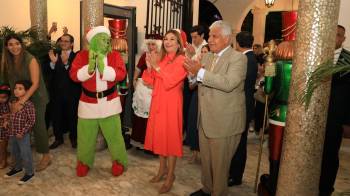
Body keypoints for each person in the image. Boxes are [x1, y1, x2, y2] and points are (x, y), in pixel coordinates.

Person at [184, 20, 247, 196]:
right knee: (207, 162)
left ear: (226, 39)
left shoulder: (238, 58)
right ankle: (207, 189)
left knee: (220, 167)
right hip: (205, 119)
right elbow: (196, 83)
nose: (209, 39)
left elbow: (228, 83)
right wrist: (192, 75)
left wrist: (200, 73)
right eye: (210, 35)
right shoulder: (208, 56)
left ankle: (217, 192)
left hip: (224, 122)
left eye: (214, 36)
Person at [70, 26, 127, 177]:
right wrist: (89, 69)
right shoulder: (82, 56)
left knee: (115, 137)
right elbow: (74, 75)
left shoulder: (114, 56)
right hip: (88, 104)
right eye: (102, 39)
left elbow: (121, 74)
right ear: (93, 41)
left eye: (107, 40)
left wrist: (104, 69)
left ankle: (119, 161)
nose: (106, 42)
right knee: (85, 137)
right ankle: (84, 162)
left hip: (110, 103)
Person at [142, 29, 187, 194]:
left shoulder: (182, 60)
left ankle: (170, 176)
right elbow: (149, 81)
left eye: (172, 39)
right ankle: (162, 170)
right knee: (160, 137)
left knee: (171, 140)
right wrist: (149, 67)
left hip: (172, 103)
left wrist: (156, 68)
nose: (168, 42)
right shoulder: (160, 59)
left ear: (178, 43)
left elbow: (170, 81)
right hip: (158, 101)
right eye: (166, 39)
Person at [0, 34, 51, 172]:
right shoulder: (7, 61)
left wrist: (22, 102)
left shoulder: (30, 59)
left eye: (17, 43)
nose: (14, 47)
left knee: (38, 125)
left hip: (36, 97)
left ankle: (46, 156)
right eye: (10, 44)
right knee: (18, 124)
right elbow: (10, 83)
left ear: (21, 44)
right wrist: (13, 101)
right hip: (19, 95)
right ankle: (19, 156)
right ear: (6, 46)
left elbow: (35, 84)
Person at [319, 24, 350, 196]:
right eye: (333, 34)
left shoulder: (348, 60)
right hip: (315, 116)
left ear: (343, 39)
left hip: (336, 117)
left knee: (330, 156)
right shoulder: (318, 55)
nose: (335, 38)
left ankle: (325, 189)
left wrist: (347, 122)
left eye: (339, 35)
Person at [228, 31, 258, 186]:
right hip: (245, 104)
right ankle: (233, 173)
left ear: (237, 44)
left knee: (239, 143)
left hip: (242, 106)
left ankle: (236, 176)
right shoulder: (251, 58)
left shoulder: (246, 59)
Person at [48, 33, 80, 149]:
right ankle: (58, 139)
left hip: (72, 93)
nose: (63, 43)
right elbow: (50, 73)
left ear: (72, 44)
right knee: (57, 116)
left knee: (73, 117)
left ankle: (74, 138)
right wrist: (53, 63)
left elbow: (75, 74)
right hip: (57, 93)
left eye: (66, 41)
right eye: (62, 41)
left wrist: (66, 63)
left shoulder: (77, 56)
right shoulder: (55, 55)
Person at [131, 34, 162, 151]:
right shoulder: (144, 55)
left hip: (154, 89)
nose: (150, 46)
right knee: (140, 116)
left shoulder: (162, 56)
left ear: (158, 45)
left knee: (152, 117)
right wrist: (134, 79)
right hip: (142, 90)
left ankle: (152, 145)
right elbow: (138, 68)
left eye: (153, 44)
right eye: (148, 44)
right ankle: (139, 141)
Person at [4, 80, 35, 184]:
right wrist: (7, 122)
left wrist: (22, 132)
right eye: (15, 88)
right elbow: (12, 116)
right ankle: (17, 168)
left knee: (25, 153)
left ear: (27, 91)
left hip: (23, 135)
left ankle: (29, 172)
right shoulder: (13, 102)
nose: (16, 90)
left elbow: (31, 121)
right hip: (12, 133)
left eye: (20, 89)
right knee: (14, 151)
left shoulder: (29, 105)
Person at [187, 44, 210, 164]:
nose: (203, 54)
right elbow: (191, 86)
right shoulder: (196, 65)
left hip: (207, 99)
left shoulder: (212, 67)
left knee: (203, 125)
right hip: (196, 96)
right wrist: (196, 76)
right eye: (202, 52)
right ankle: (194, 152)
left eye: (206, 52)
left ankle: (204, 155)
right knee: (192, 123)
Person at [0, 84, 11, 169]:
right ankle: (3, 158)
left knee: (3, 145)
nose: (1, 99)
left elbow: (14, 113)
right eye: (0, 97)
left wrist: (7, 116)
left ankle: (4, 161)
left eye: (4, 97)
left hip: (5, 129)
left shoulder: (10, 104)